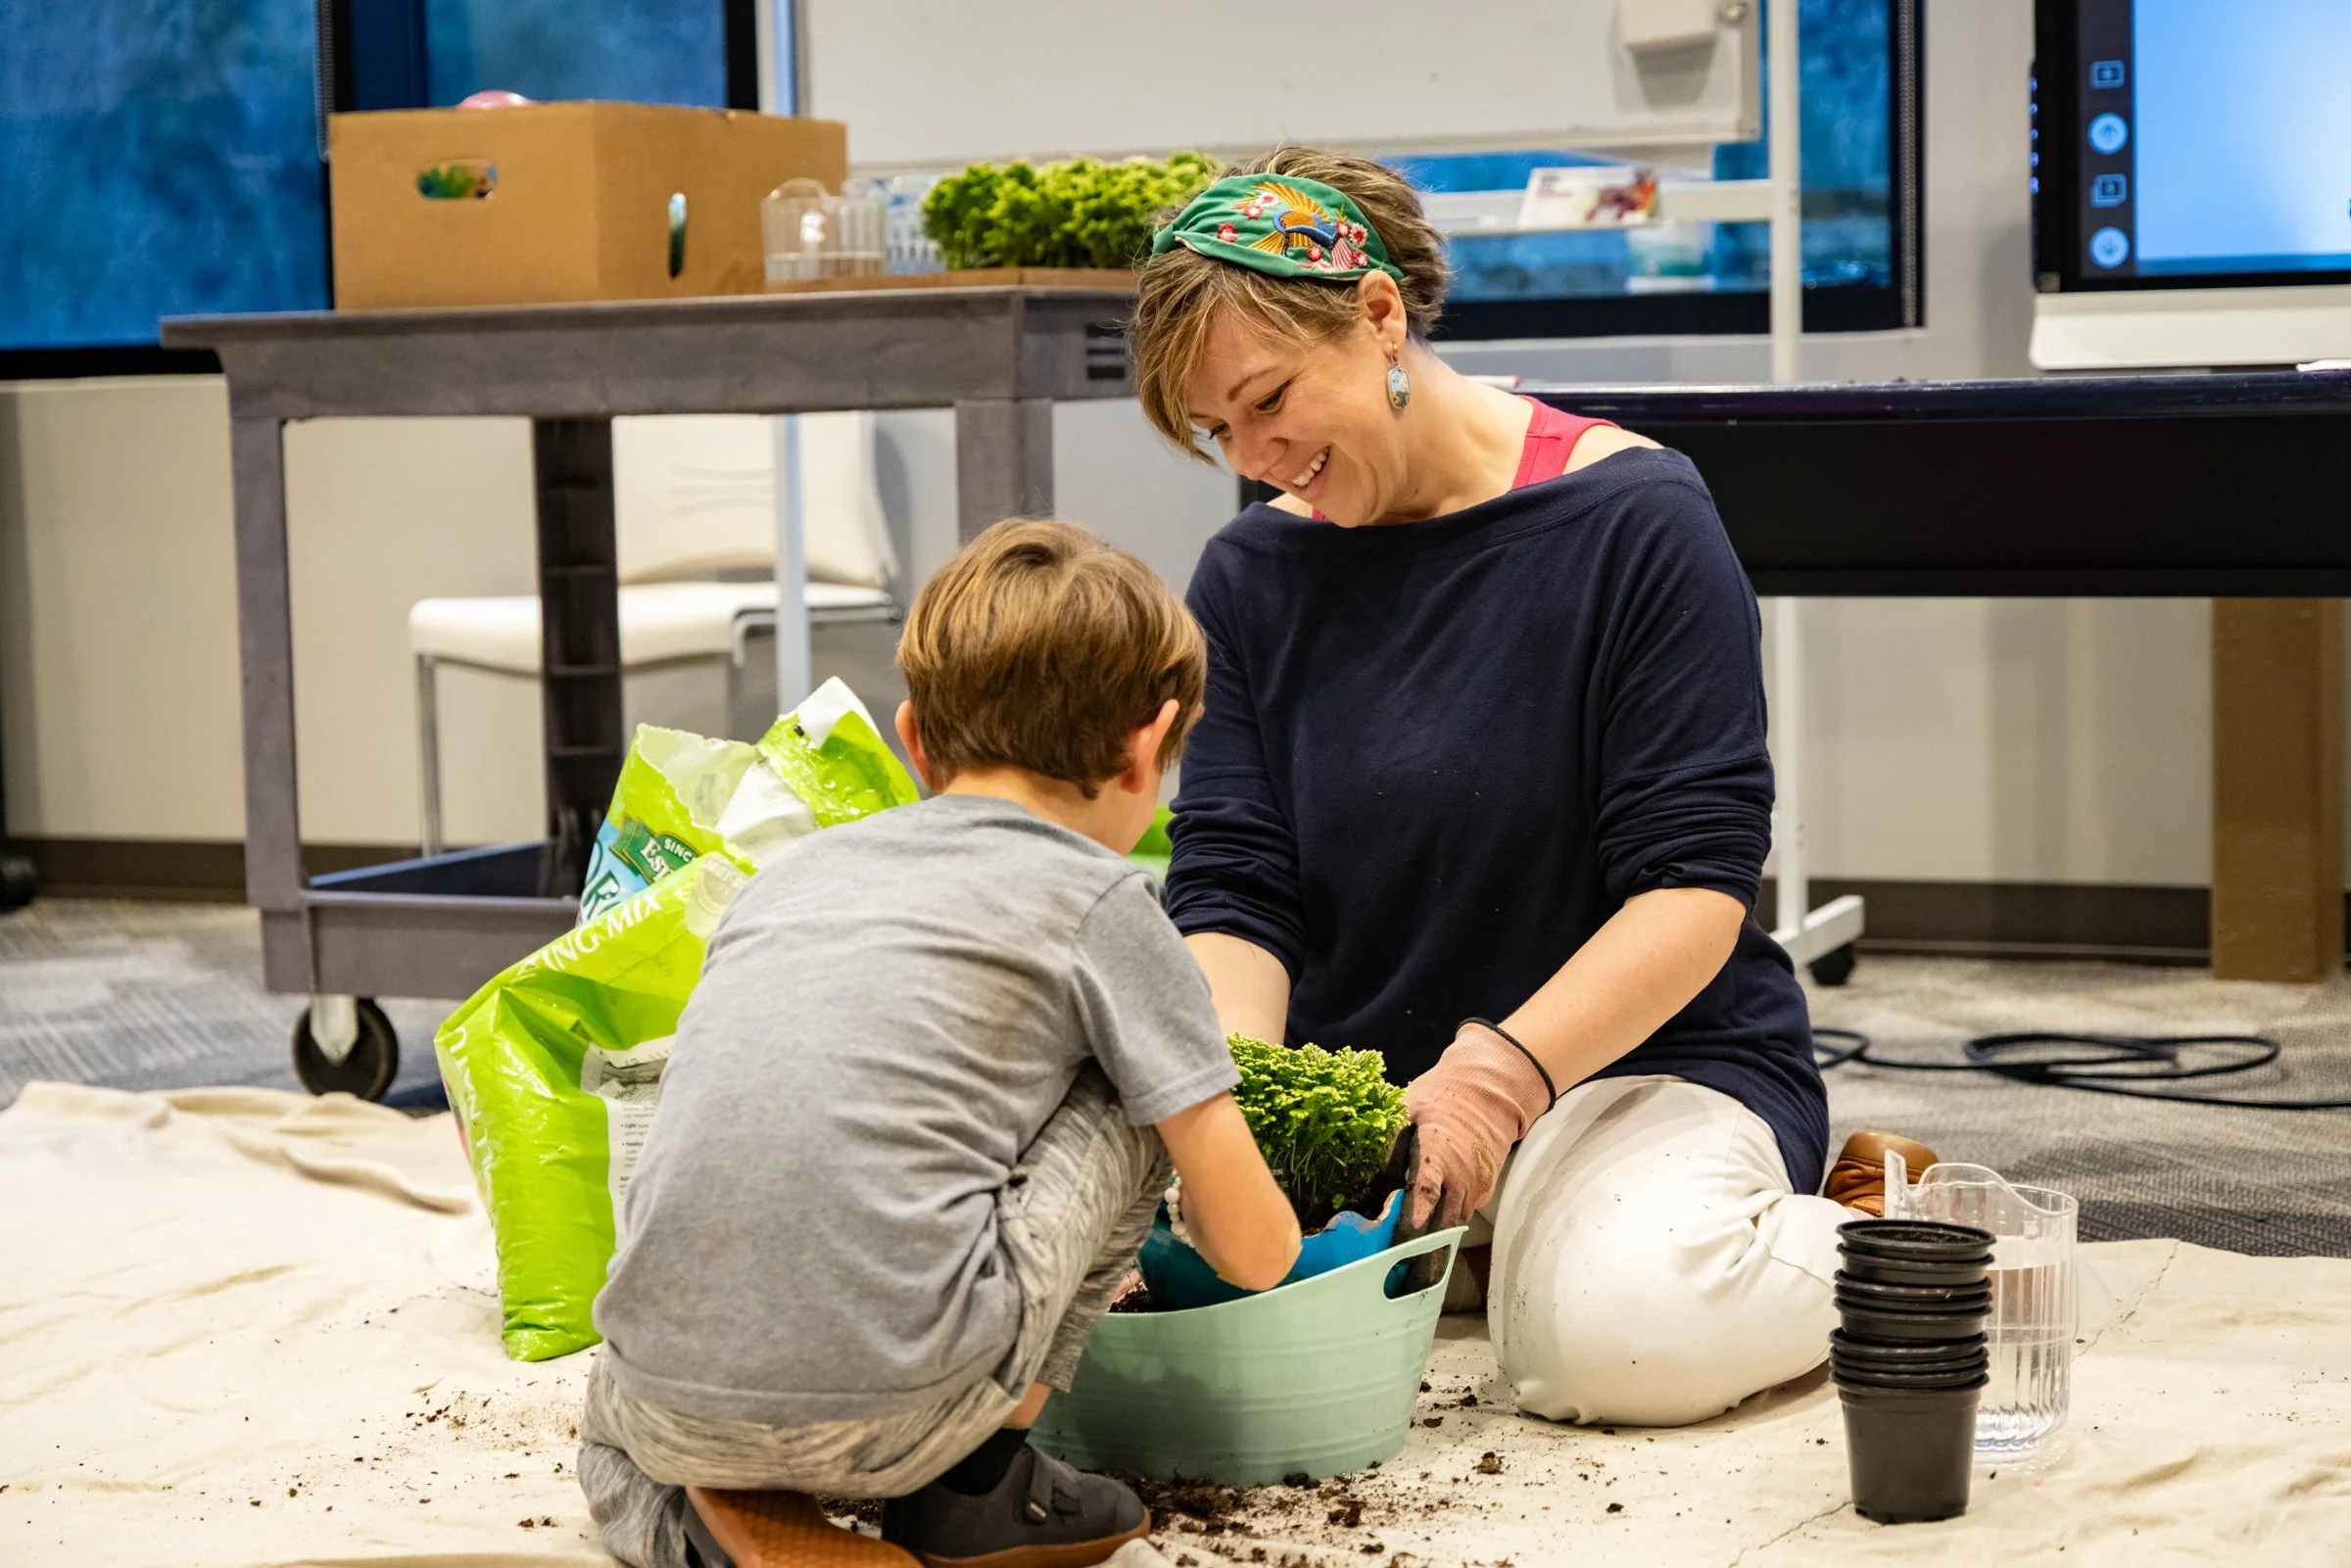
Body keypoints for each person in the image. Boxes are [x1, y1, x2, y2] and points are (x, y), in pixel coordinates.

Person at [1130, 147, 1936, 1430]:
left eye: (1272, 396)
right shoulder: (1250, 575)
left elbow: (1694, 893)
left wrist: (1497, 1083)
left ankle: (1890, 1238)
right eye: (1221, 431)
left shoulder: (1637, 521)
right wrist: (1246, 1110)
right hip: (1383, 1110)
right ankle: (1507, 1257)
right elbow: (1235, 890)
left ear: (1381, 313)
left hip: (1629, 1066)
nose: (1261, 454)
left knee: (1607, 1344)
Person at [578, 518, 1304, 1568]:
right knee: (1146, 1090)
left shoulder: (785, 882)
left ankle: (701, 1522)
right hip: (913, 1401)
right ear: (1149, 745)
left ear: (914, 737)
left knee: (618, 1412)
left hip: (664, 1394)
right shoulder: (1107, 903)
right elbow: (1259, 1249)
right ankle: (976, 1489)